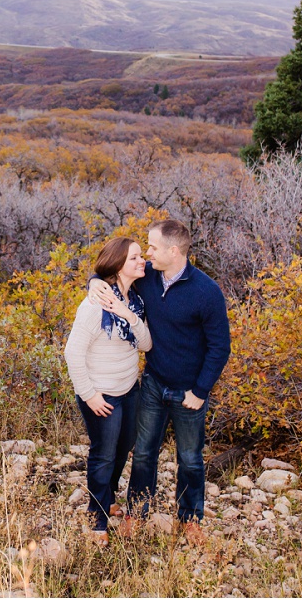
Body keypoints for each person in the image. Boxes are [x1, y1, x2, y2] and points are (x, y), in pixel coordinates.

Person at [88, 219, 230, 546]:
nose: (147, 254)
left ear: (173, 250)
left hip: (189, 391)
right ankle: (137, 513)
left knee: (191, 459)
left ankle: (190, 519)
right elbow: (113, 271)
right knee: (143, 455)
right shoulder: (148, 277)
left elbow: (220, 346)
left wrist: (200, 391)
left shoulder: (206, 292)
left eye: (152, 247)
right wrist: (94, 280)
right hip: (153, 383)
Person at [63, 236, 152, 546]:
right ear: (117, 265)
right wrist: (89, 395)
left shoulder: (135, 301)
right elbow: (72, 353)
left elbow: (145, 344)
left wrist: (127, 313)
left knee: (123, 447)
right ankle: (97, 517)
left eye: (142, 255)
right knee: (103, 454)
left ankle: (106, 495)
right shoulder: (93, 306)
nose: (143, 261)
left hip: (129, 389)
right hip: (101, 394)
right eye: (135, 258)